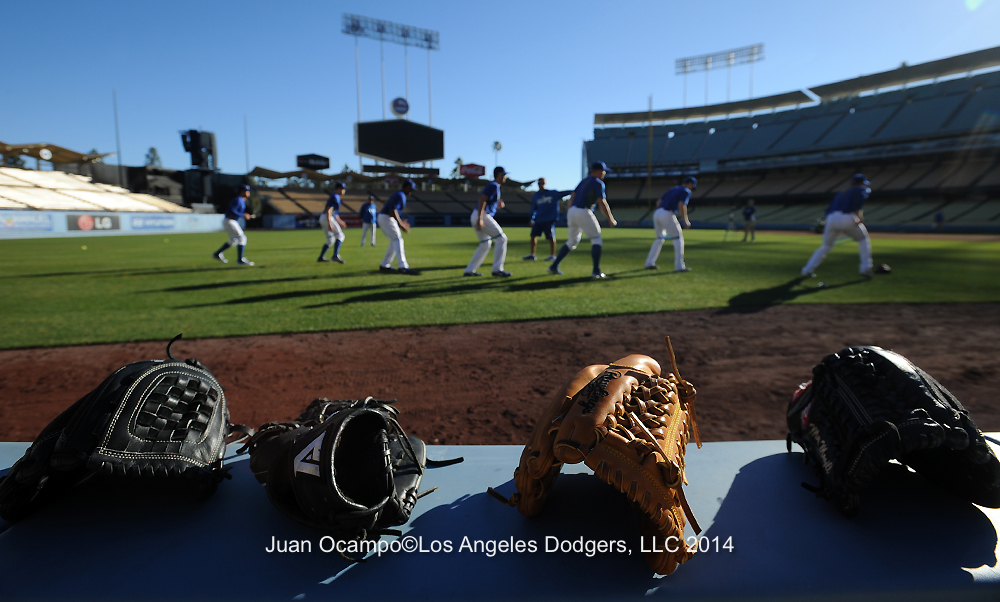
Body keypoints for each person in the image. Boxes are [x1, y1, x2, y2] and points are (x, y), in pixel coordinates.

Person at [548, 161, 617, 278]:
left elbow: (572, 196)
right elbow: (602, 202)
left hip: (572, 211)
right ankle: (596, 271)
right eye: (604, 170)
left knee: (572, 241)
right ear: (599, 171)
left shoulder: (583, 181)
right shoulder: (598, 183)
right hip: (583, 210)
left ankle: (553, 266)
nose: (604, 173)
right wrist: (611, 219)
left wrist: (571, 210)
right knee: (596, 239)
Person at [801, 174, 874, 278]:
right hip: (848, 217)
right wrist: (859, 217)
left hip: (831, 218)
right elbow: (858, 203)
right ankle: (865, 268)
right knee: (863, 240)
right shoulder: (861, 190)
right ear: (862, 183)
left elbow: (828, 209)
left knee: (825, 246)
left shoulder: (841, 193)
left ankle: (807, 270)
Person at [464, 166, 512, 277]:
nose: (505, 177)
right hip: (482, 215)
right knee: (502, 239)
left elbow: (488, 202)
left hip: (477, 214)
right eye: (504, 175)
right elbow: (482, 200)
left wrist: (497, 206)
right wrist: (480, 219)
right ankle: (497, 270)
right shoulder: (493, 185)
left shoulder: (495, 186)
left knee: (485, 244)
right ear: (500, 175)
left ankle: (469, 270)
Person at [644, 176, 695, 272]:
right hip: (667, 213)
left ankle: (649, 263)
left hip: (658, 212)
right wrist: (686, 221)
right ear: (690, 184)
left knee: (659, 238)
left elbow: (659, 202)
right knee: (678, 238)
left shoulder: (673, 189)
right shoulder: (686, 191)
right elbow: (681, 205)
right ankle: (679, 266)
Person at [524, 177, 572, 261]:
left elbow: (564, 193)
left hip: (549, 219)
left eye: (542, 183)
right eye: (539, 183)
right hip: (539, 219)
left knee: (551, 237)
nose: (540, 185)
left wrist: (575, 191)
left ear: (545, 183)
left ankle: (552, 255)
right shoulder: (536, 196)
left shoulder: (552, 193)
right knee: (533, 236)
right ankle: (532, 254)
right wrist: (531, 219)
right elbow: (533, 208)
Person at [378, 179, 416, 275]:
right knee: (398, 240)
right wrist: (401, 224)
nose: (411, 191)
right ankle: (403, 266)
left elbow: (393, 211)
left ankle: (384, 265)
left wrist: (401, 222)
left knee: (395, 241)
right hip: (386, 217)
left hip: (386, 217)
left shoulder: (400, 194)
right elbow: (392, 210)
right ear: (406, 187)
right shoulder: (400, 195)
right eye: (411, 189)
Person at [212, 184, 254, 266]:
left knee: (234, 240)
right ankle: (240, 260)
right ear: (242, 192)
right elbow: (232, 210)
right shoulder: (238, 200)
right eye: (246, 191)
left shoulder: (242, 200)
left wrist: (243, 214)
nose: (248, 192)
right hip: (230, 221)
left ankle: (217, 253)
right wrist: (243, 215)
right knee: (242, 238)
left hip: (230, 221)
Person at [317, 181, 348, 263]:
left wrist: (341, 222)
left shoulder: (336, 196)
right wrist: (330, 223)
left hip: (325, 217)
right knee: (340, 235)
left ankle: (321, 257)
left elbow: (335, 214)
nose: (344, 190)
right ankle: (335, 255)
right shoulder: (335, 197)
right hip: (327, 217)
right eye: (343, 189)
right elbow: (329, 210)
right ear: (338, 189)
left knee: (330, 240)